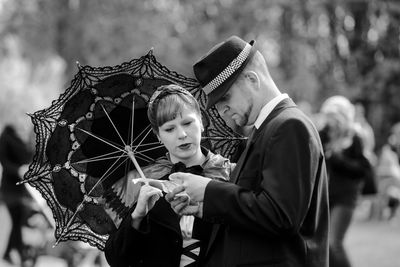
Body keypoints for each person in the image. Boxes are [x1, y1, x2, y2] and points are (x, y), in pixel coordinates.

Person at [166, 36, 329, 267]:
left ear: (252, 79)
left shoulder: (290, 126)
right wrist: (204, 207)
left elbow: (281, 216)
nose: (221, 110)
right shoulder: (266, 129)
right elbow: (257, 208)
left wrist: (209, 190)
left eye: (225, 97)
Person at [104, 84, 234, 267]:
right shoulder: (145, 180)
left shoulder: (230, 173)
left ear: (202, 122)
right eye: (169, 129)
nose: (181, 134)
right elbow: (117, 259)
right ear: (158, 135)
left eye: (187, 123)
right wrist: (137, 215)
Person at [318, 96, 372, 267]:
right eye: (327, 116)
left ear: (341, 116)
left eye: (332, 116)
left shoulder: (355, 136)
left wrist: (337, 158)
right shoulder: (324, 134)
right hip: (325, 195)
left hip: (346, 197)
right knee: (324, 244)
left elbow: (363, 169)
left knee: (335, 243)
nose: (328, 120)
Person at [0, 124, 33, 265]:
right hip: (9, 189)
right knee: (16, 220)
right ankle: (20, 253)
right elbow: (5, 163)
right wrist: (18, 170)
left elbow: (27, 157)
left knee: (17, 220)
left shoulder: (20, 139)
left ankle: (9, 252)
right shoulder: (6, 138)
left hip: (19, 189)